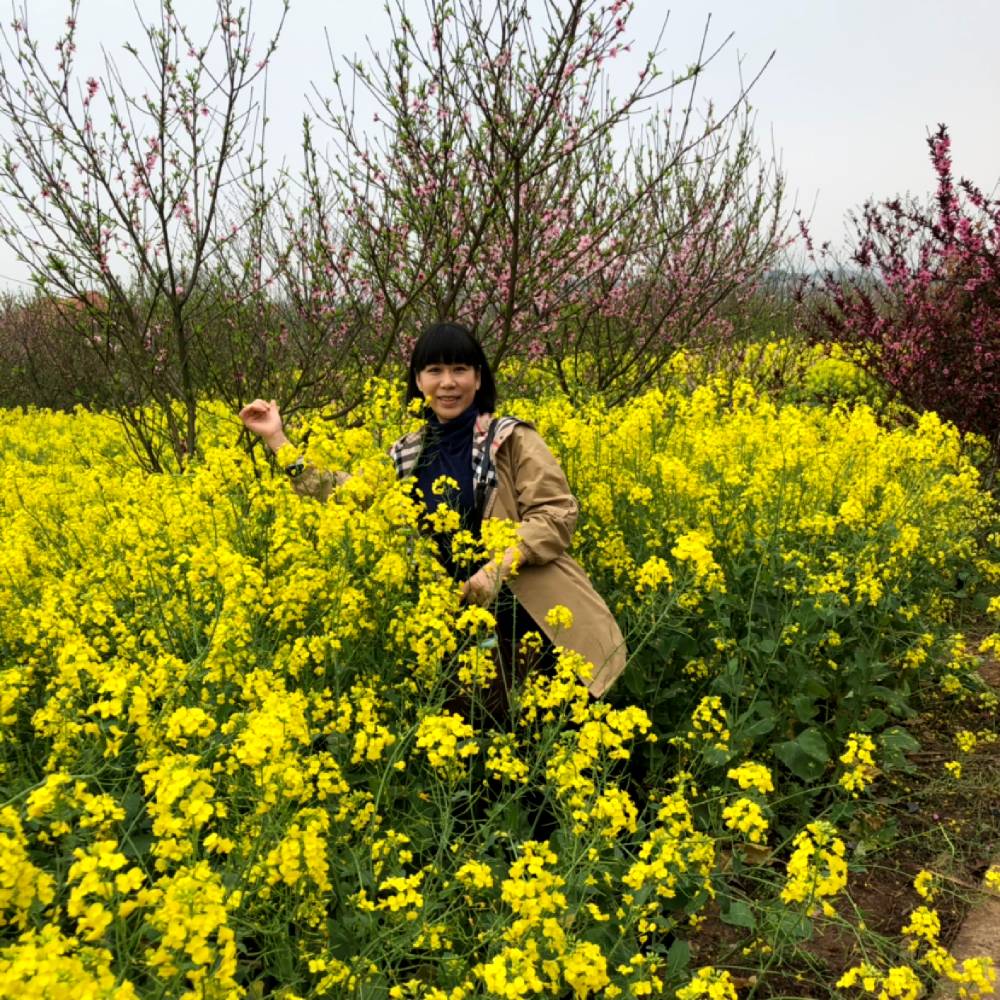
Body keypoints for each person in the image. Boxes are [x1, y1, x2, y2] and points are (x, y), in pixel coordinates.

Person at [239, 322, 626, 717]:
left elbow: (557, 514)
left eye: (460, 370)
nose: (447, 383)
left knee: (560, 739)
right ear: (418, 380)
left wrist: (498, 567)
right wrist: (278, 441)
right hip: (464, 627)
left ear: (478, 378)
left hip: (538, 617)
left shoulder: (510, 439)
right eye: (434, 371)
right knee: (477, 745)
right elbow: (348, 494)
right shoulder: (407, 454)